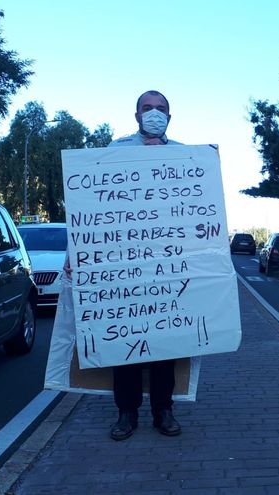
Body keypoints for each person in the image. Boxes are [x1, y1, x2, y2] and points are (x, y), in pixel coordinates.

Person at [108, 90, 183, 440]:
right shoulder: (116, 151)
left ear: (171, 115)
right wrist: (74, 257)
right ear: (136, 115)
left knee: (165, 343)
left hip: (167, 267)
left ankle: (163, 410)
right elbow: (90, 210)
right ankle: (126, 413)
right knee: (126, 344)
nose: (154, 113)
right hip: (123, 266)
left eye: (161, 109)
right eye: (147, 108)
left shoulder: (187, 158)